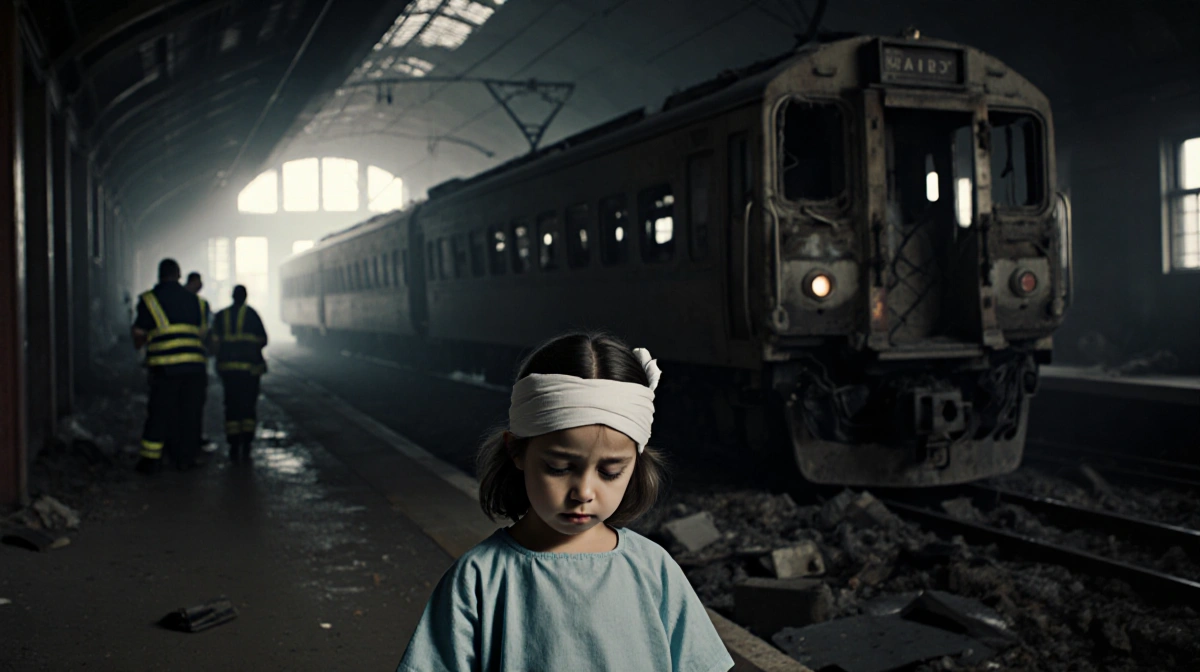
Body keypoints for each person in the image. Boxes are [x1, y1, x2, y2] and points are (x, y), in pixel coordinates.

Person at [396, 332, 734, 672]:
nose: (584, 492)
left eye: (611, 471)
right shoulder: (479, 579)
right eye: (559, 468)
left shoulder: (654, 570)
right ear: (516, 450)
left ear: (636, 462)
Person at [131, 258, 209, 473]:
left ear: (159, 275)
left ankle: (151, 461)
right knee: (190, 414)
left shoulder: (149, 300)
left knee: (160, 413)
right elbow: (204, 335)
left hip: (164, 369)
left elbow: (138, 336)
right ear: (179, 275)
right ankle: (186, 459)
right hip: (195, 369)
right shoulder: (199, 303)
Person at [212, 285, 268, 463]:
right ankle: (247, 445)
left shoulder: (221, 316)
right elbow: (263, 340)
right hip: (250, 372)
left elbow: (213, 343)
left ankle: (234, 446)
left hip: (228, 371)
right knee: (248, 407)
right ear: (245, 297)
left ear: (232, 296)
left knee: (231, 406)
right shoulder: (252, 315)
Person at [183, 271, 216, 453]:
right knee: (194, 406)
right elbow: (209, 333)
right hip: (195, 363)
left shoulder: (166, 302)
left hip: (166, 364)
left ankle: (174, 445)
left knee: (173, 406)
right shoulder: (201, 305)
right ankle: (192, 443)